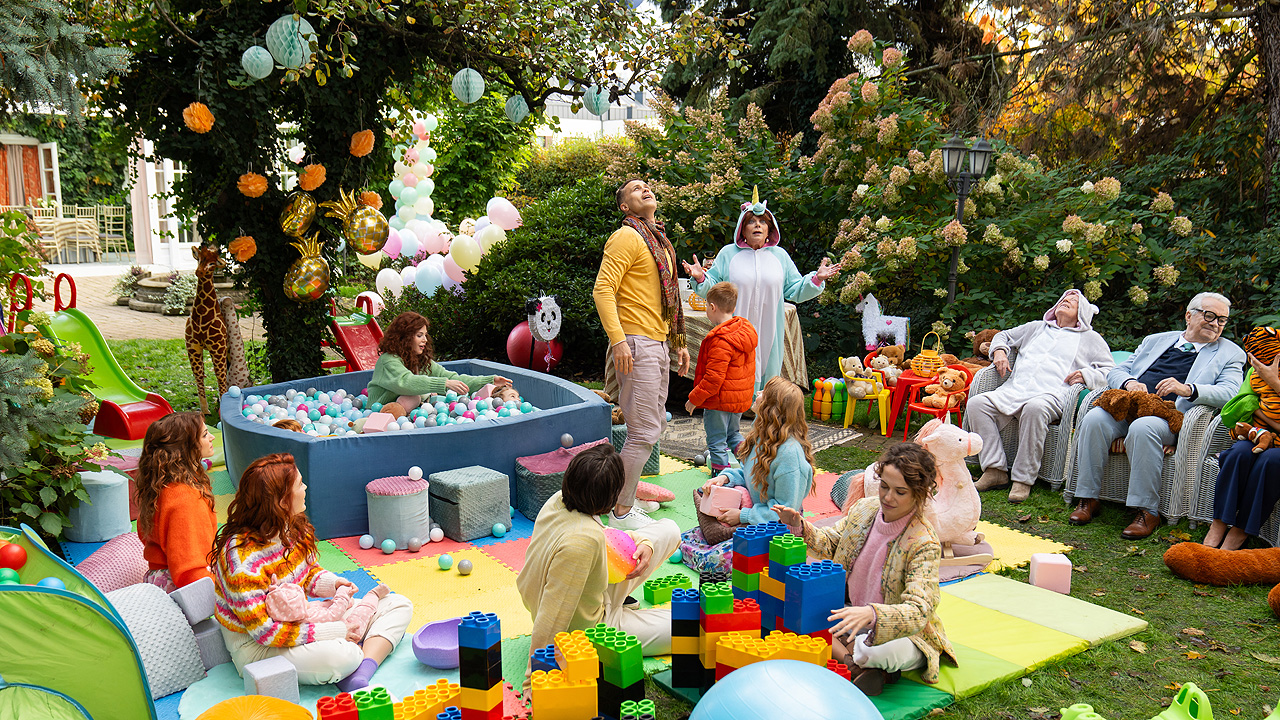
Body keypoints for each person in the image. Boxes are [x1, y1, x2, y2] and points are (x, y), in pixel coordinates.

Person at [211, 453, 413, 691]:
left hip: (302, 619)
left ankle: (364, 667)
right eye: (299, 484)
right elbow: (265, 632)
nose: (305, 488)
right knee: (342, 656)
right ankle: (358, 653)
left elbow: (307, 573)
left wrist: (335, 584)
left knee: (398, 604)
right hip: (258, 645)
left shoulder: (290, 528)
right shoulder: (242, 561)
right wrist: (335, 631)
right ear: (281, 501)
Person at [772, 442, 956, 695]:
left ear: (919, 493)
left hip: (903, 634)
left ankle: (855, 658)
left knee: (872, 650)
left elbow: (919, 610)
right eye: (884, 486)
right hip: (852, 615)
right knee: (798, 612)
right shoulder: (864, 509)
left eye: (900, 492)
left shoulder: (924, 542)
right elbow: (832, 543)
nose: (888, 497)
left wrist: (872, 614)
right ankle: (857, 667)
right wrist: (800, 526)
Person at [1069, 292, 1246, 539]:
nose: (1215, 323)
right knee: (1094, 419)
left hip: (1169, 417)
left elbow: (1231, 392)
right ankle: (1087, 498)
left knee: (1143, 427)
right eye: (1209, 316)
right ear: (1189, 316)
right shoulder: (1155, 340)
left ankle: (1147, 511)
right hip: (1132, 405)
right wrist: (1130, 382)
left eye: (1222, 320)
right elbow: (1117, 370)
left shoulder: (1230, 353)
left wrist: (1188, 389)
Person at [516, 444, 680, 694]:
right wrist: (535, 678)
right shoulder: (582, 542)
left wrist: (644, 543)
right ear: (611, 496)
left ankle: (620, 599)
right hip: (584, 629)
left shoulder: (559, 499)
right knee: (690, 626)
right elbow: (553, 613)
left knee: (670, 529)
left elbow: (608, 538)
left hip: (577, 592)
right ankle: (616, 610)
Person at [594, 178, 690, 530]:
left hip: (657, 341)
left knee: (655, 424)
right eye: (635, 188)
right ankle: (619, 510)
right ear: (625, 206)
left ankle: (624, 496)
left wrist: (678, 343)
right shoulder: (627, 236)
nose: (645, 189)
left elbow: (666, 298)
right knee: (643, 432)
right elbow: (603, 290)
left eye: (647, 185)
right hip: (636, 342)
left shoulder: (658, 240)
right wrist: (619, 341)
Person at [682, 187, 840, 391]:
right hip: (734, 331)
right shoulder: (728, 254)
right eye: (751, 221)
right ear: (742, 229)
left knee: (767, 382)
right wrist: (700, 277)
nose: (757, 225)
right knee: (733, 384)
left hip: (770, 330)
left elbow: (795, 289)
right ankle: (734, 411)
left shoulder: (780, 256)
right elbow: (714, 290)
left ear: (769, 229)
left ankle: (763, 410)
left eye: (763, 221)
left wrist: (816, 279)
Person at [968, 290, 1114, 503]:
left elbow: (1110, 371)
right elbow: (1003, 335)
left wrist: (1086, 375)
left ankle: (1023, 479)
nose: (1066, 301)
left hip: (1053, 395)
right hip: (1014, 389)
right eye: (1064, 299)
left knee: (1034, 408)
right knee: (977, 404)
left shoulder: (1091, 339)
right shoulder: (1036, 327)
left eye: (1073, 301)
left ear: (1082, 312)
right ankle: (994, 469)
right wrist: (999, 351)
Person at [698, 376, 815, 527]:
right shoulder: (762, 437)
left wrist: (743, 516)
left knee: (701, 541)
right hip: (755, 517)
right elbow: (750, 474)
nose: (758, 392)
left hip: (777, 529)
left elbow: (785, 509)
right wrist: (725, 478)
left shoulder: (790, 455)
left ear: (772, 407)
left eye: (764, 392)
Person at [1204, 351, 1280, 550]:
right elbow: (1242, 405)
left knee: (1270, 461)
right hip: (1257, 433)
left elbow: (1255, 406)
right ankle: (1219, 522)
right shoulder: (1267, 360)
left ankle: (1241, 530)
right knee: (1239, 453)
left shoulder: (1269, 373)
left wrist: (1274, 382)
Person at [135, 412, 218, 591]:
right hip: (183, 587)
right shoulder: (185, 497)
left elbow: (145, 531)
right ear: (187, 446)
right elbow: (190, 570)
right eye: (205, 435)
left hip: (161, 578)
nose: (212, 437)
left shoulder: (161, 484)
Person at [683, 281, 758, 474]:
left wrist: (694, 398)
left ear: (712, 307)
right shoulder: (744, 330)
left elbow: (713, 379)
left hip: (719, 401)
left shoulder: (720, 340)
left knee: (717, 440)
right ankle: (753, 467)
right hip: (738, 399)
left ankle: (721, 477)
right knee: (733, 435)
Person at [366, 311, 511, 410]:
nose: (424, 340)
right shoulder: (388, 360)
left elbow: (453, 378)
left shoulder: (421, 361)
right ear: (404, 337)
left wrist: (489, 380)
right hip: (379, 412)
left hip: (408, 417)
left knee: (417, 399)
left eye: (425, 335)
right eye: (419, 335)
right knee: (412, 397)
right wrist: (444, 384)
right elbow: (405, 382)